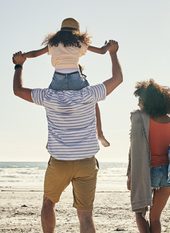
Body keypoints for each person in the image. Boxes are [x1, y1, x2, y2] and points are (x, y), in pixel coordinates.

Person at [12, 40, 122, 233]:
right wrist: (112, 53)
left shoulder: (48, 96)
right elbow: (118, 78)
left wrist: (19, 66)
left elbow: (18, 91)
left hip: (59, 162)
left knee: (48, 203)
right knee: (85, 215)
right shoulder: (90, 94)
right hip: (86, 163)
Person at [15, 17, 112, 147]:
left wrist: (22, 56)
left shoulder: (54, 44)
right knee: (92, 100)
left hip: (58, 79)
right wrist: (107, 46)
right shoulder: (79, 43)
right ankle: (99, 132)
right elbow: (101, 51)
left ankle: (51, 140)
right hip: (75, 78)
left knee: (49, 103)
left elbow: (35, 54)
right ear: (77, 32)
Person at [127, 79, 170, 233]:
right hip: (167, 172)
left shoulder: (141, 119)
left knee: (139, 212)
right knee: (156, 218)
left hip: (146, 172)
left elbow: (134, 149)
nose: (138, 103)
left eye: (141, 99)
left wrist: (130, 174)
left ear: (148, 101)